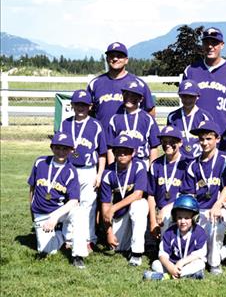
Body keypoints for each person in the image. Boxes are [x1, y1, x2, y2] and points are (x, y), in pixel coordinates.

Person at [28, 132, 88, 268]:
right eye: (58, 147)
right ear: (52, 147)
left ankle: (78, 255)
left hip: (60, 212)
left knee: (79, 213)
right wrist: (31, 210)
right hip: (42, 212)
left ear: (71, 150)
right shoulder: (40, 162)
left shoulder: (71, 171)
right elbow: (32, 188)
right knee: (46, 251)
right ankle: (63, 234)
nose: (61, 151)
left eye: (65, 148)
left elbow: (74, 200)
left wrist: (55, 216)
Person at [180, 120, 226, 275]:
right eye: (202, 139)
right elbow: (189, 193)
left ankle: (215, 263)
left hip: (222, 207)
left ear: (218, 139)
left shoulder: (225, 159)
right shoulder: (193, 165)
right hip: (201, 209)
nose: (204, 142)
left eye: (209, 139)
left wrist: (217, 205)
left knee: (217, 223)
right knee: (197, 241)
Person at [59, 90, 107, 250]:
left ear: (90, 106)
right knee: (69, 203)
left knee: (88, 204)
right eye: (77, 104)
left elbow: (102, 153)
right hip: (70, 169)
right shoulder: (65, 123)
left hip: (88, 170)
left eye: (84, 105)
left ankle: (88, 238)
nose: (81, 108)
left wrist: (99, 174)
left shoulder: (95, 125)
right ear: (72, 105)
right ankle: (69, 238)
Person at [182, 27, 226, 138]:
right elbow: (185, 103)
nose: (210, 46)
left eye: (214, 43)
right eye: (206, 42)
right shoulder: (191, 70)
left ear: (222, 45)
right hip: (196, 136)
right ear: (202, 45)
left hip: (225, 137)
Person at [100, 135, 149, 266]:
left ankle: (137, 253)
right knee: (118, 247)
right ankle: (128, 246)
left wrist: (113, 208)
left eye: (126, 151)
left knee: (139, 206)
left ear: (133, 152)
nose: (122, 154)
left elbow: (138, 194)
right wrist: (109, 232)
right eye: (118, 151)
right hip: (120, 214)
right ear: (114, 152)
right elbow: (105, 205)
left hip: (134, 208)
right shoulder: (108, 172)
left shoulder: (139, 166)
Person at [87, 42, 155, 132]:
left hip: (130, 140)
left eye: (119, 56)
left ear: (126, 60)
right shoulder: (95, 83)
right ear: (107, 59)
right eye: (111, 56)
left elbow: (150, 111)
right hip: (103, 139)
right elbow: (88, 111)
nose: (115, 59)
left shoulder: (138, 84)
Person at [143, 195, 207, 281]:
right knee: (156, 264)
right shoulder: (169, 232)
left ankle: (165, 277)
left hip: (188, 263)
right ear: (174, 218)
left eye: (187, 218)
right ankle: (190, 275)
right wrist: (170, 267)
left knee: (200, 263)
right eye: (179, 218)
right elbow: (162, 255)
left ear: (195, 218)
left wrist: (181, 262)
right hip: (172, 264)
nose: (183, 221)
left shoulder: (200, 232)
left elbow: (199, 253)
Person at [148, 125, 189, 238]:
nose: (167, 144)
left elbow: (188, 194)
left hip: (182, 208)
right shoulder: (156, 164)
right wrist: (153, 221)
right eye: (164, 141)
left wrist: (167, 208)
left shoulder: (187, 164)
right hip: (160, 210)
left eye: (172, 141)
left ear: (180, 143)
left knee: (166, 215)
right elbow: (151, 195)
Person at [107, 80, 160, 167]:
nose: (129, 98)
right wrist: (111, 168)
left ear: (141, 99)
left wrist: (151, 169)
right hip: (120, 163)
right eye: (126, 94)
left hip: (142, 161)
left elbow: (153, 147)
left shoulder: (147, 119)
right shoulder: (115, 119)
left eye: (133, 96)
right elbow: (110, 147)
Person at [167, 79, 213, 160]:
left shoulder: (205, 116)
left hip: (199, 159)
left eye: (191, 97)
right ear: (180, 96)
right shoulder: (172, 117)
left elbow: (210, 141)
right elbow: (169, 140)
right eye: (184, 96)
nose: (187, 100)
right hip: (178, 160)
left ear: (197, 97)